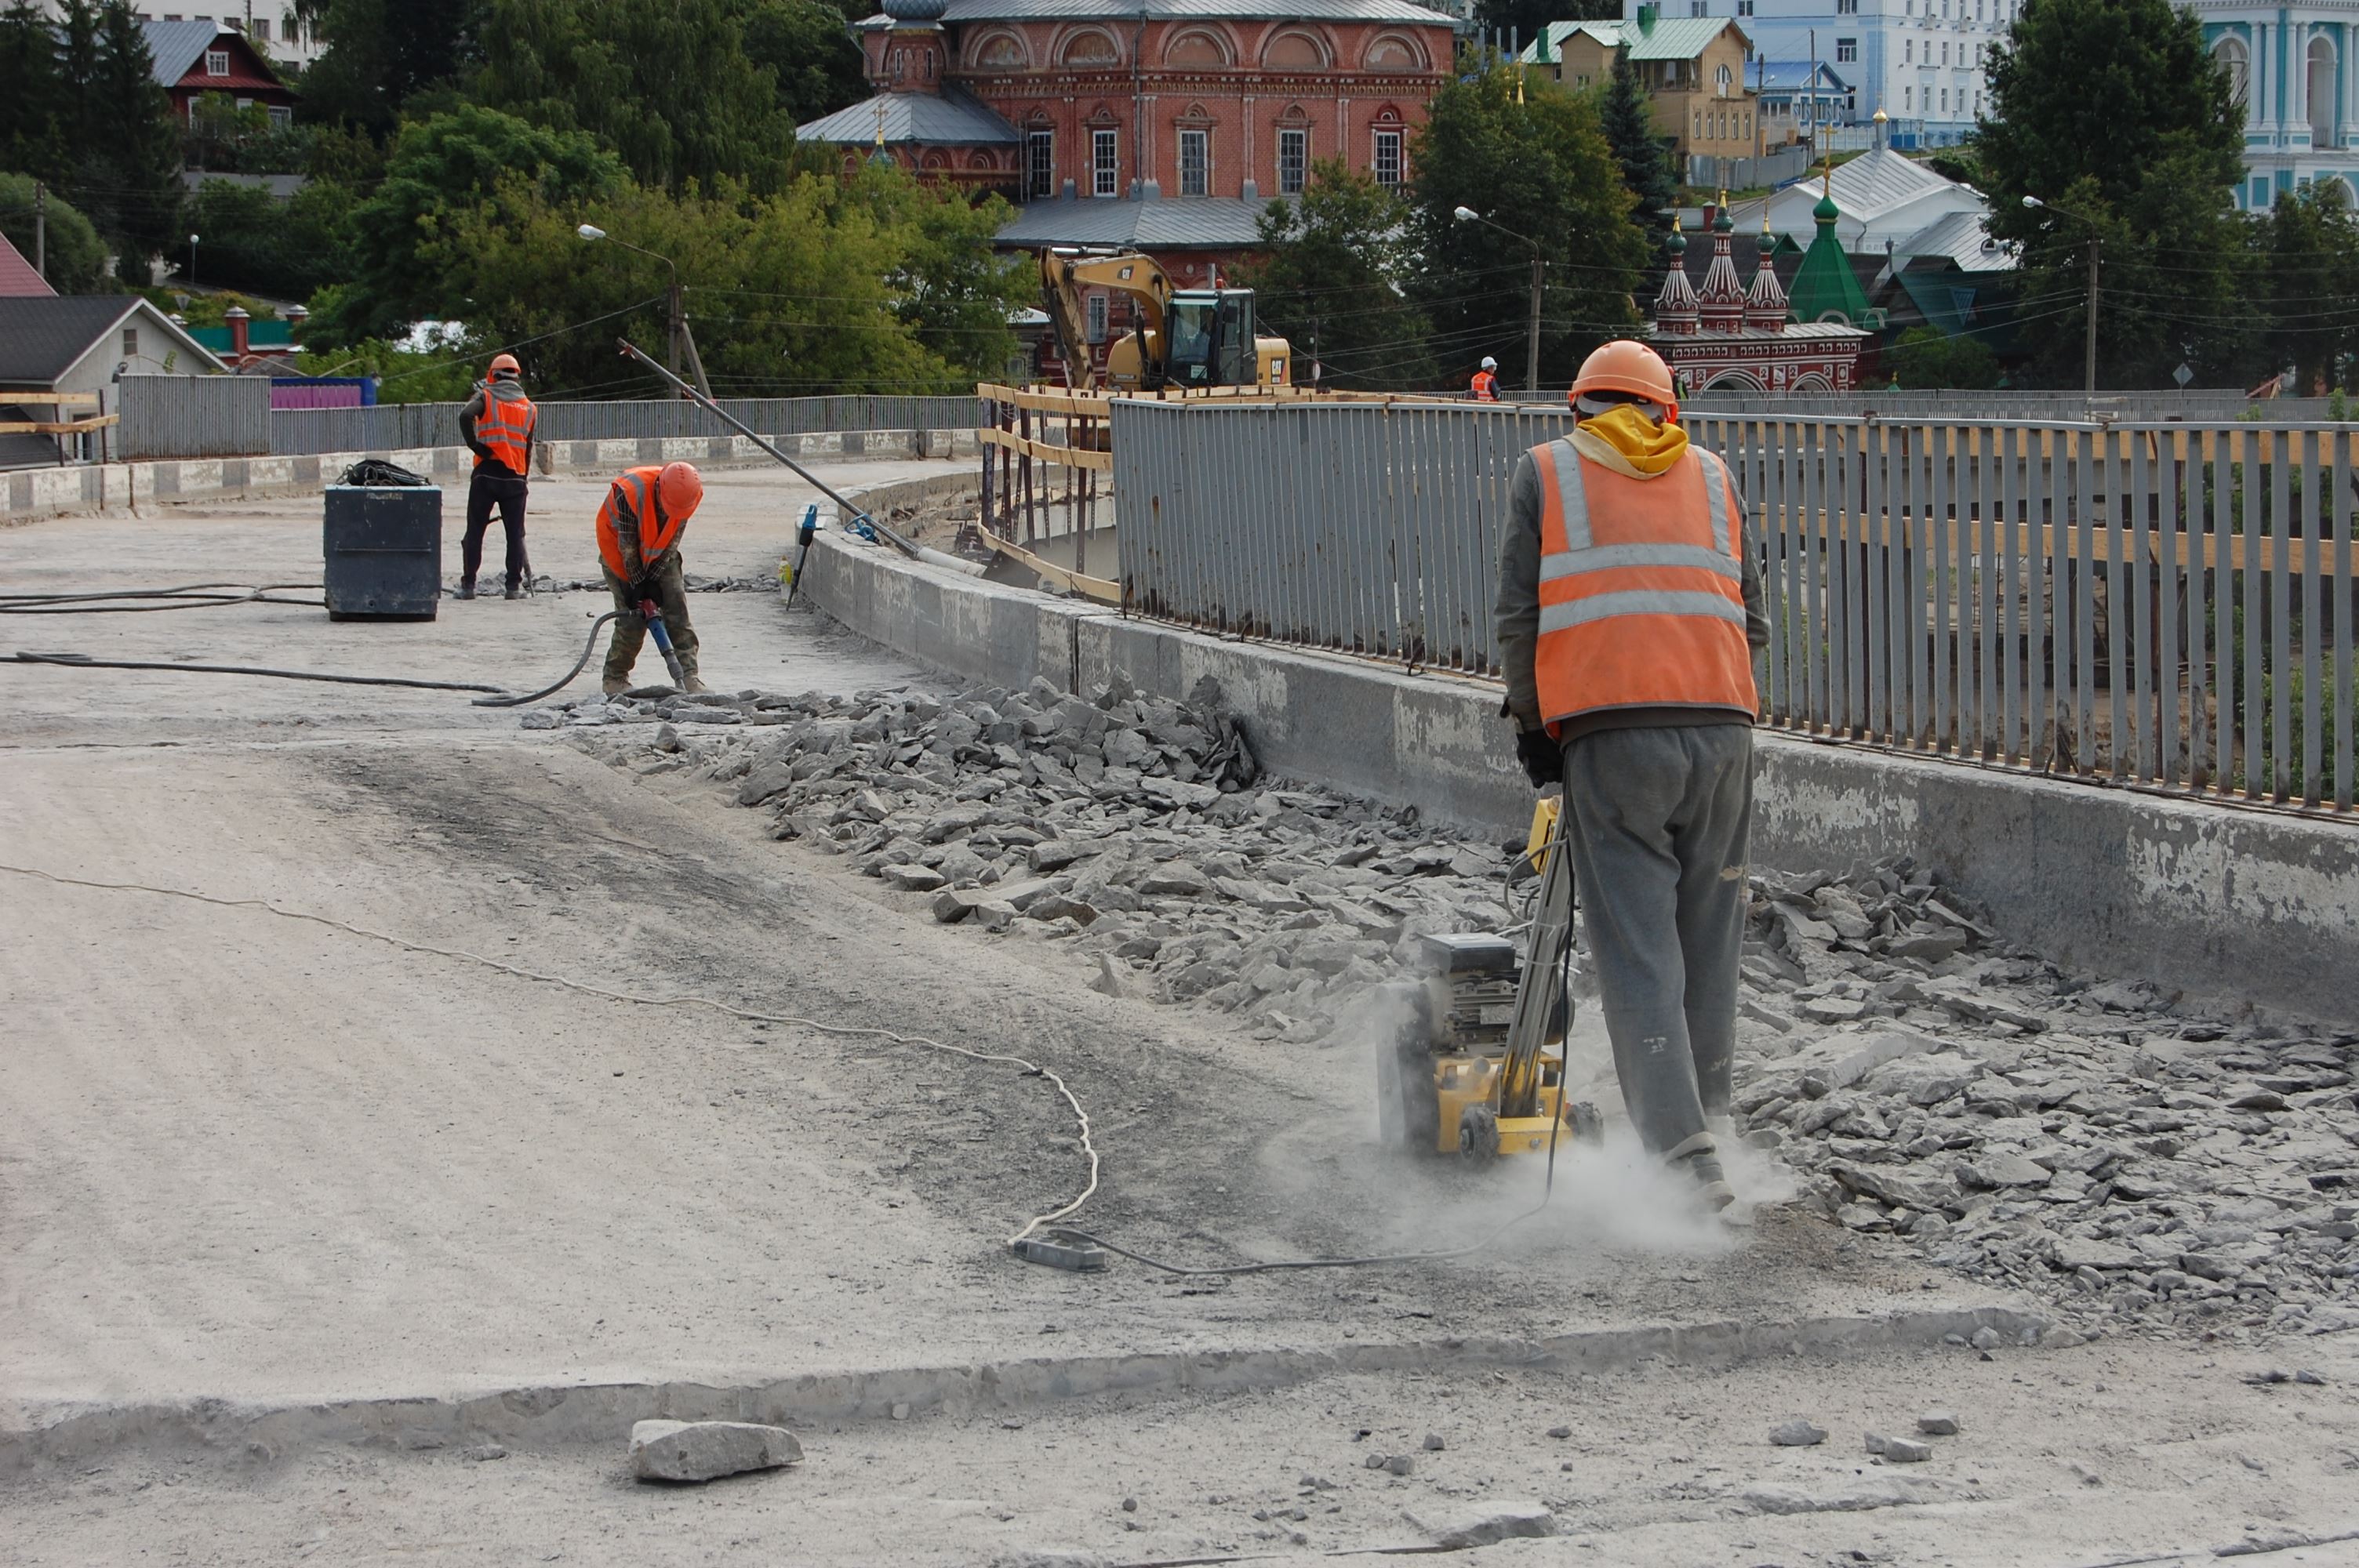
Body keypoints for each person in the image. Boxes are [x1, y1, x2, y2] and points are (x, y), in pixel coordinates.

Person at [1492, 339, 1770, 1220]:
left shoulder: (1546, 472)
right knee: (1708, 931)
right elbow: (1752, 617)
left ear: (1576, 408)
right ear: (1666, 411)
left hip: (1614, 740)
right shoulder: (1715, 476)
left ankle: (1684, 1160)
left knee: (1637, 943)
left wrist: (1538, 732)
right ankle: (1711, 1117)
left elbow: (1517, 617)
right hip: (1724, 730)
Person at [595, 461, 709, 695]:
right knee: (633, 619)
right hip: (618, 554)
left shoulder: (688, 494)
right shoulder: (630, 491)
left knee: (677, 608)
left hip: (660, 553)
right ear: (659, 489)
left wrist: (655, 577)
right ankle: (615, 677)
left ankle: (689, 676)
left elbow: (673, 538)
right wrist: (639, 586)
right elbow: (627, 546)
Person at [456, 353, 536, 599]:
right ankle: (513, 587)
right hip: (515, 477)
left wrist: (477, 447)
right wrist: (523, 478)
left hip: (486, 474)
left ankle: (469, 586)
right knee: (515, 534)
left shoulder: (486, 397)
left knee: (475, 530)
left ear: (493, 375)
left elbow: (465, 415)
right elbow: (528, 446)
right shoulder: (529, 407)